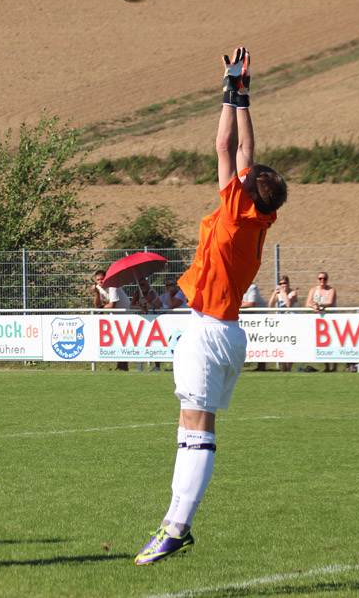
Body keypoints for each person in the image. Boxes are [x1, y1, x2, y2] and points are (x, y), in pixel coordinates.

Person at [135, 47, 288, 565]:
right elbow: (244, 151)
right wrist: (239, 92)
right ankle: (173, 523)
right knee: (191, 431)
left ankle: (177, 528)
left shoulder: (236, 211)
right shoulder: (255, 219)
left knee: (194, 433)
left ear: (247, 189)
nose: (240, 173)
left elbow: (230, 144)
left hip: (210, 334)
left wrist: (232, 90)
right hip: (222, 332)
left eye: (246, 175)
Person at [93, 269, 132, 371]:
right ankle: (121, 366)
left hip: (126, 315)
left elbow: (112, 305)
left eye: (102, 279)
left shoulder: (112, 286)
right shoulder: (98, 288)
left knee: (124, 341)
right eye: (98, 280)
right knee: (117, 341)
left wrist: (101, 309)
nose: (100, 281)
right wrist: (96, 293)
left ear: (106, 279)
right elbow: (97, 305)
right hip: (116, 316)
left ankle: (124, 365)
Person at [306, 272, 337, 371]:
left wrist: (319, 304)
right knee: (322, 344)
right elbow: (308, 303)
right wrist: (313, 306)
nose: (322, 280)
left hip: (330, 319)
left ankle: (334, 366)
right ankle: (327, 366)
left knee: (333, 343)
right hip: (319, 321)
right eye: (320, 278)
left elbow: (330, 302)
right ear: (317, 279)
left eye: (324, 278)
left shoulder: (331, 290)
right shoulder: (313, 290)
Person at [268, 275, 297, 371]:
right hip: (282, 322)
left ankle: (289, 367)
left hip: (292, 321)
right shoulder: (279, 294)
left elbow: (289, 305)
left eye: (284, 283)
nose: (283, 285)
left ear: (288, 283)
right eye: (280, 284)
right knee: (282, 344)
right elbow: (270, 306)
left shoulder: (293, 293)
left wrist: (283, 293)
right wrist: (274, 294)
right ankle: (284, 366)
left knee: (291, 344)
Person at [240, 282, 268, 371]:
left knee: (259, 340)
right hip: (247, 318)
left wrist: (234, 305)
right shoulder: (236, 286)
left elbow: (251, 304)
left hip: (260, 318)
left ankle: (262, 366)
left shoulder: (252, 286)